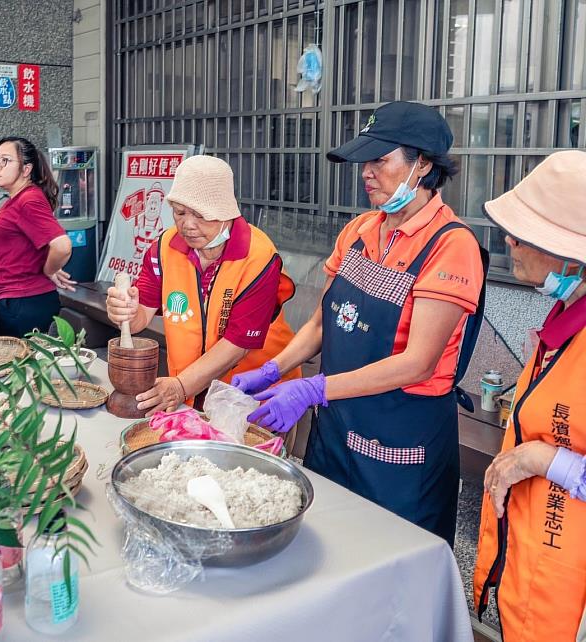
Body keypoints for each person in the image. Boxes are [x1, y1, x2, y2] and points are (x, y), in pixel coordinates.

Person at [233, 101, 487, 547]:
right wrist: (273, 369)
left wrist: (314, 389)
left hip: (401, 447)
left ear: (422, 163)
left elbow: (418, 362)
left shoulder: (452, 245)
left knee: (391, 563)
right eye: (364, 161)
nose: (366, 172)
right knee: (328, 546)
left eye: (380, 160)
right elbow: (319, 326)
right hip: (335, 431)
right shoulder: (360, 231)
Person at [473, 151, 586, 642]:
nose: (509, 242)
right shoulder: (564, 323)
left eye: (522, 234)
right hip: (538, 573)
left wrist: (544, 459)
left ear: (569, 253)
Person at [106, 154, 301, 416]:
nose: (187, 225)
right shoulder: (163, 248)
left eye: (200, 214)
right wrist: (125, 313)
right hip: (189, 395)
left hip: (255, 397)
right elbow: (141, 316)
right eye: (180, 212)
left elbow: (237, 345)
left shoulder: (259, 257)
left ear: (225, 212)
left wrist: (179, 386)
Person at [0, 137, 74, 337]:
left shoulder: (28, 200)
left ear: (26, 170)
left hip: (24, 304)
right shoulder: (18, 198)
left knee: (19, 367)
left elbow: (62, 245)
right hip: (15, 302)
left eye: (5, 161)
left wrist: (49, 269)